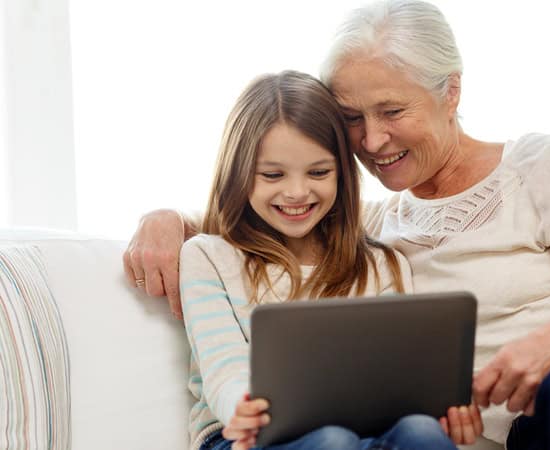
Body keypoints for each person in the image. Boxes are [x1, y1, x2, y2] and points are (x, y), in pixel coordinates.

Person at [124, 2, 550, 449]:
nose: (372, 139)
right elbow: (274, 215)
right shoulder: (377, 232)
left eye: (391, 109)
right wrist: (168, 220)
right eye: (351, 117)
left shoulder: (537, 162)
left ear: (451, 93)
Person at [174, 70, 482, 450]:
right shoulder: (208, 257)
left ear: (342, 173)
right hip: (241, 436)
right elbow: (223, 366)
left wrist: (442, 409)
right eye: (272, 174)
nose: (297, 192)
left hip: (363, 432)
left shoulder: (382, 265)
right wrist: (243, 406)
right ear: (239, 174)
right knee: (333, 443)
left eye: (319, 172)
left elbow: (395, 375)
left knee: (420, 432)